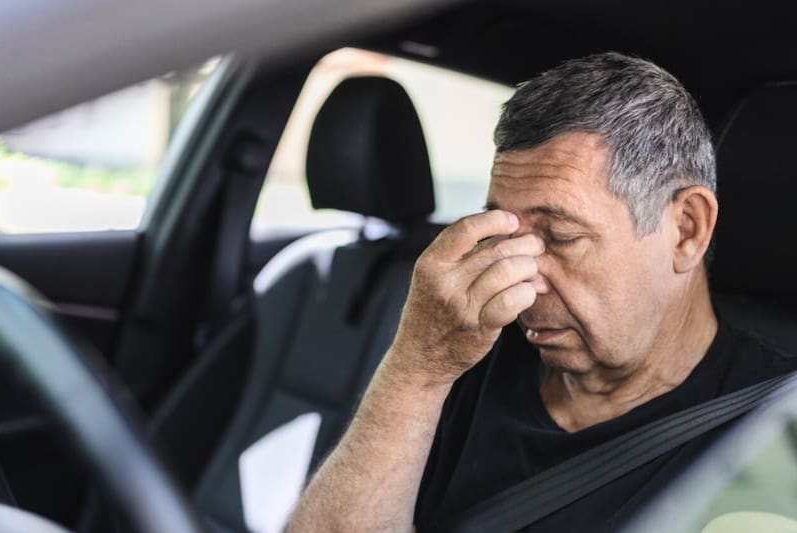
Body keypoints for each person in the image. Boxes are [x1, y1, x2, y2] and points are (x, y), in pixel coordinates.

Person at [287, 52, 797, 532]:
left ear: (686, 229)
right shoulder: (464, 356)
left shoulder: (774, 436)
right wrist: (418, 368)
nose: (520, 286)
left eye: (561, 237)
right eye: (505, 234)